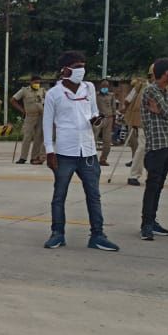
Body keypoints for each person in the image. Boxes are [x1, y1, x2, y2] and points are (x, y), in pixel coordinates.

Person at [42, 50, 119, 252]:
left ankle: (98, 235)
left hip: (88, 151)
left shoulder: (89, 88)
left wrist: (96, 118)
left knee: (94, 195)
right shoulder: (54, 94)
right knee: (59, 195)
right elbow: (47, 124)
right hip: (65, 152)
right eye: (77, 67)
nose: (81, 71)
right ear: (65, 70)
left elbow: (93, 110)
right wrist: (50, 152)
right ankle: (57, 233)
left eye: (83, 66)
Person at [139, 58, 168, 241]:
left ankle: (152, 220)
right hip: (156, 146)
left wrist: (167, 104)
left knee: (159, 186)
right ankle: (146, 224)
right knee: (152, 185)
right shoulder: (151, 90)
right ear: (166, 74)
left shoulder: (165, 91)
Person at [11, 75, 45, 164]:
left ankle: (34, 157)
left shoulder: (42, 91)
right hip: (29, 116)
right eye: (35, 82)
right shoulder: (24, 90)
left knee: (38, 137)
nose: (37, 84)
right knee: (27, 137)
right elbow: (13, 100)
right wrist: (22, 110)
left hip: (40, 116)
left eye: (38, 83)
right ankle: (23, 157)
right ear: (31, 82)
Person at [122, 72, 148, 186]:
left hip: (154, 122)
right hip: (142, 121)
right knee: (142, 147)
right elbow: (127, 100)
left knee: (149, 149)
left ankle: (150, 175)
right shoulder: (141, 86)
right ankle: (134, 175)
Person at [95, 79, 118, 166]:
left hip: (109, 118)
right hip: (98, 118)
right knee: (93, 139)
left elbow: (114, 108)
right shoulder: (96, 95)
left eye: (106, 86)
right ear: (100, 86)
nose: (105, 87)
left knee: (107, 141)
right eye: (103, 86)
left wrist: (114, 122)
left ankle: (103, 159)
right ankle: (91, 158)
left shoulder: (111, 95)